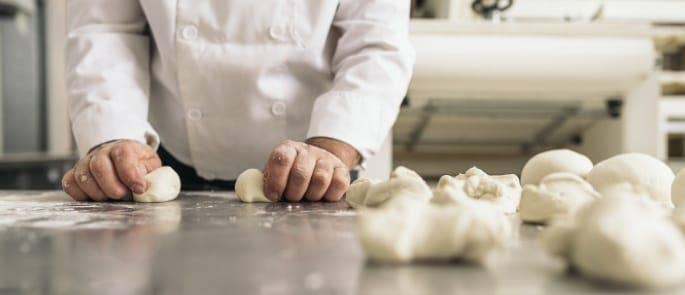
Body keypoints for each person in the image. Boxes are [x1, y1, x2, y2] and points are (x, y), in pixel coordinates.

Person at [61, 0, 415, 202]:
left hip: (319, 165)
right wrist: (112, 134)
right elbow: (106, 29)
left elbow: (375, 45)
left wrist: (334, 146)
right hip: (167, 163)